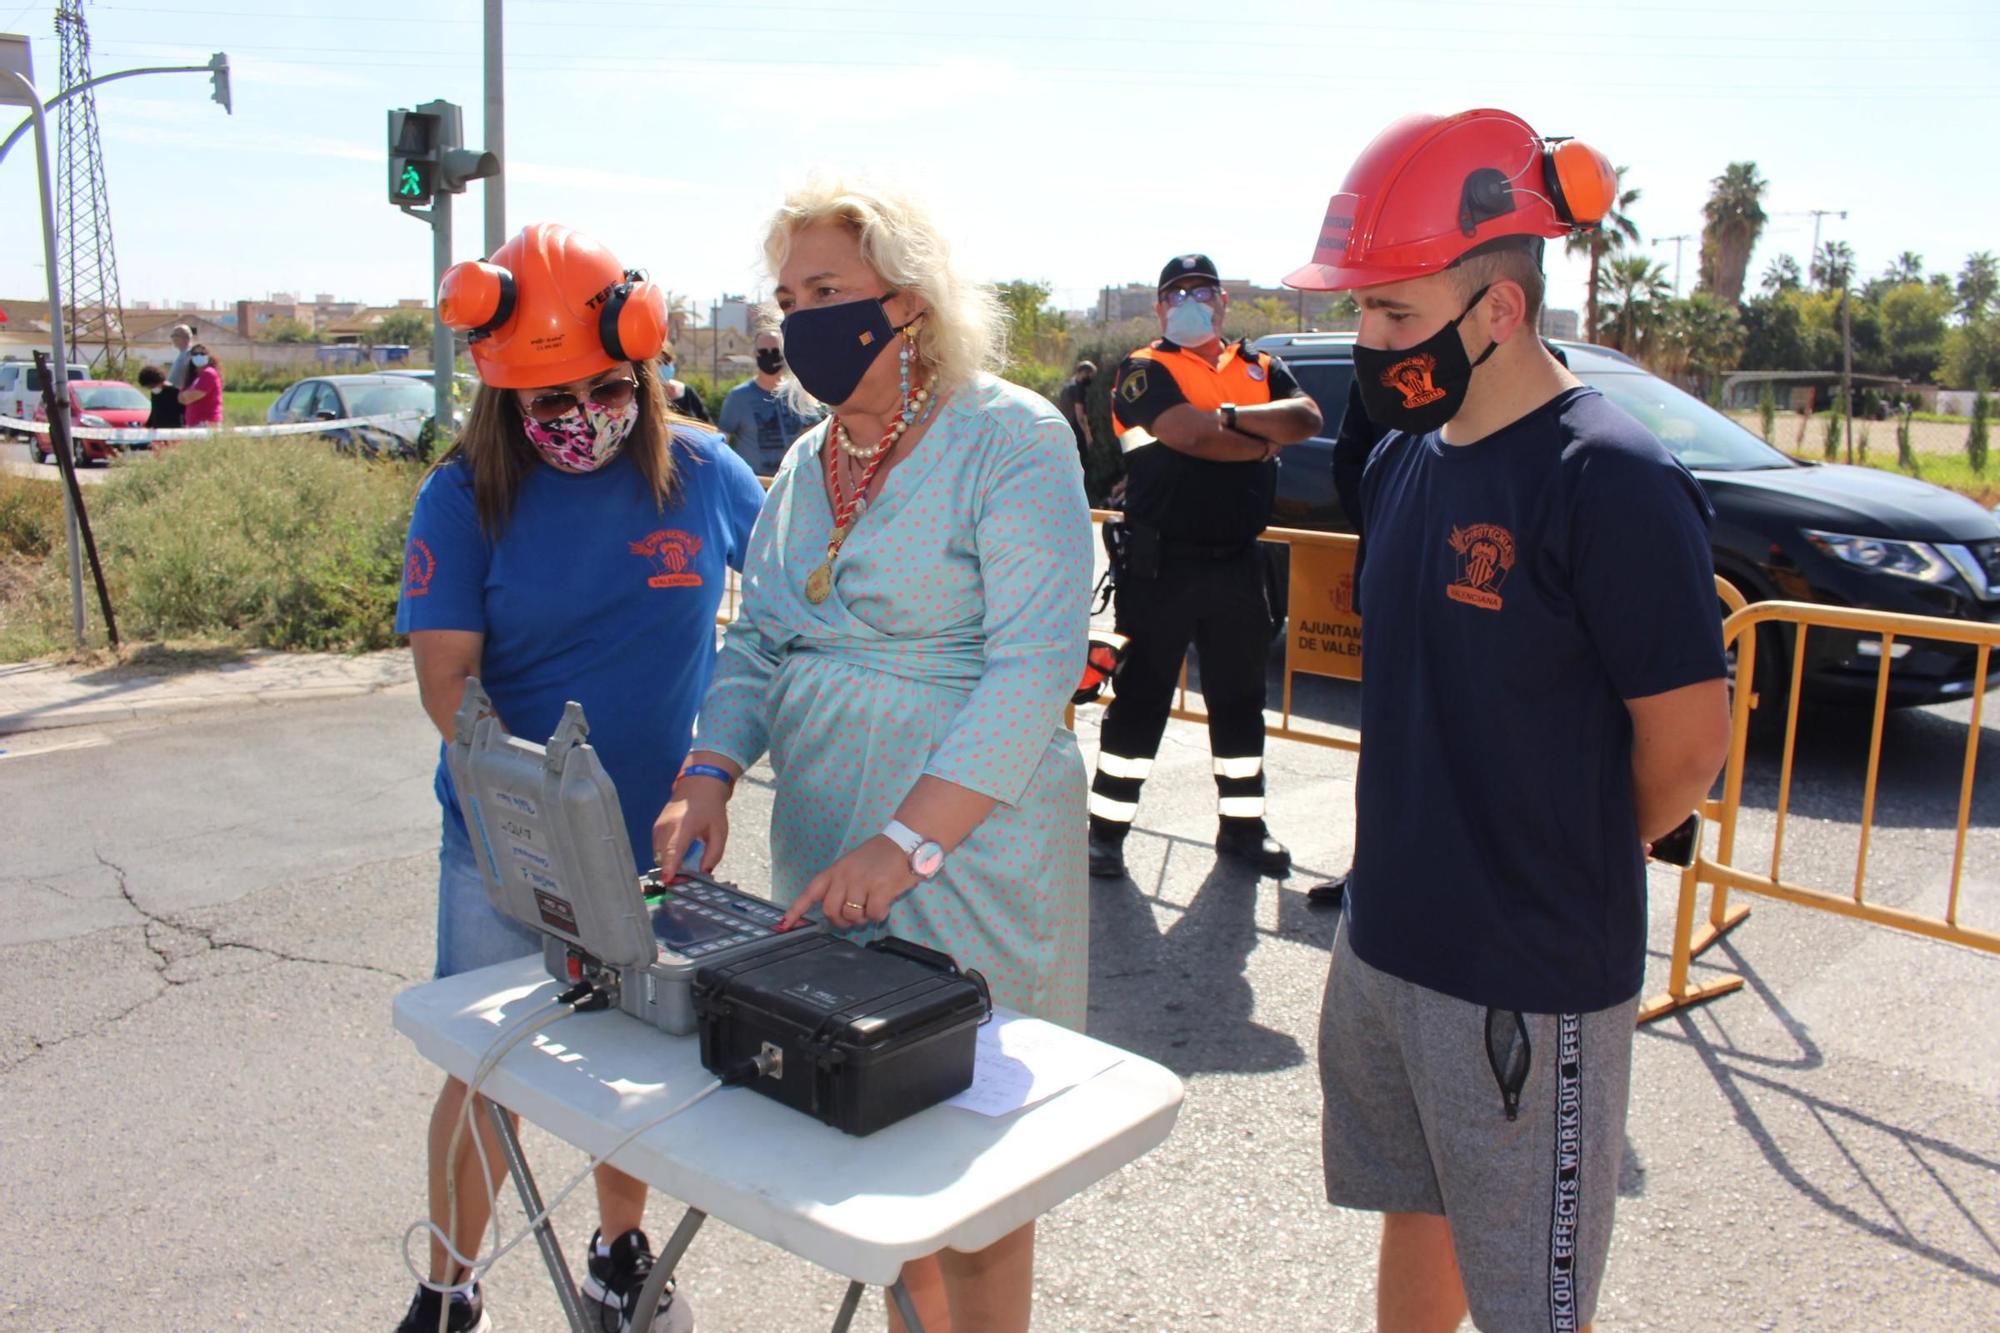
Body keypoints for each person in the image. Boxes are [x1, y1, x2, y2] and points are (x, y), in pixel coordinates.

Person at [1282, 109, 1731, 1333]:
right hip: (1385, 946)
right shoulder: (1402, 462)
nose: (1366, 345)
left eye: (1393, 313)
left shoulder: (1609, 478)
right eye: (1359, 313)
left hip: (1522, 977)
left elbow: (1687, 747)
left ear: (1498, 309)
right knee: (1413, 1221)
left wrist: (1564, 847)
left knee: (1529, 1301)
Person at [653, 180, 1090, 1333]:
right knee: (880, 1152)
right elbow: (756, 638)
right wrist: (706, 773)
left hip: (970, 864)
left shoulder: (1010, 435)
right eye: (787, 297)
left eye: (827, 292)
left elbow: (1033, 666)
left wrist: (903, 844)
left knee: (980, 1171)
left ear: (906, 303)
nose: (799, 320)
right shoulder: (803, 463)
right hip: (827, 866)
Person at [391, 222, 765, 1333]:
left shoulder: (703, 471)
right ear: (498, 394)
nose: (573, 417)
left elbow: (796, 604)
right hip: (506, 840)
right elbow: (446, 681)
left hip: (656, 840)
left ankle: (616, 1253)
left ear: (640, 366)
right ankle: (448, 1287)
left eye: (600, 388)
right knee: (482, 1066)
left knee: (629, 1065)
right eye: (540, 398)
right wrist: (534, 797)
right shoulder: (462, 498)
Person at [1084, 252, 1322, 881]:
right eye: (1177, 293)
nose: (1190, 302)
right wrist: (1259, 439)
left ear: (1221, 303)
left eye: (1203, 292)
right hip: (1161, 565)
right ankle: (1105, 831)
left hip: (1239, 565)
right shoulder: (1143, 368)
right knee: (1141, 699)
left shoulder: (1260, 366)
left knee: (1241, 700)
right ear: (1160, 307)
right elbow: (1188, 434)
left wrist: (1235, 421)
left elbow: (1307, 418)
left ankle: (1243, 829)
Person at [715, 327, 820, 475]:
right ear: (755, 354)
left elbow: (815, 438)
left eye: (775, 351)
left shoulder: (798, 394)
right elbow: (722, 442)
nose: (770, 356)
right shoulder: (739, 397)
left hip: (791, 484)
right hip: (755, 485)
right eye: (764, 352)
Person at [1054, 358, 1095, 466]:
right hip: (1076, 430)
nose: (1091, 378)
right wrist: (1088, 435)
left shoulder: (1067, 385)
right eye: (1090, 375)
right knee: (1081, 463)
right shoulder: (1079, 388)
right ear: (1084, 373)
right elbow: (1079, 415)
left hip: (1065, 428)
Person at [656, 343, 710, 424]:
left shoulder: (687, 392)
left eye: (667, 362)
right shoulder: (643, 396)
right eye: (659, 363)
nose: (664, 367)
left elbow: (707, 424)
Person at [177, 345, 224, 427]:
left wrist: (186, 395)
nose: (199, 356)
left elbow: (193, 396)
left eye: (202, 354)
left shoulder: (209, 373)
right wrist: (186, 395)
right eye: (195, 354)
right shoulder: (193, 376)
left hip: (206, 422)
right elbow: (181, 399)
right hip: (193, 422)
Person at [138, 364, 183, 430]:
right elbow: (154, 411)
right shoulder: (155, 393)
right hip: (157, 431)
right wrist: (148, 426)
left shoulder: (175, 391)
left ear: (160, 381)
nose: (152, 389)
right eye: (149, 387)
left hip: (173, 430)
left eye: (152, 386)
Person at [166, 323, 195, 389]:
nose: (173, 338)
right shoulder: (181, 353)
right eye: (172, 335)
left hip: (182, 394)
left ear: (186, 337)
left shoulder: (189, 354)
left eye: (176, 335)